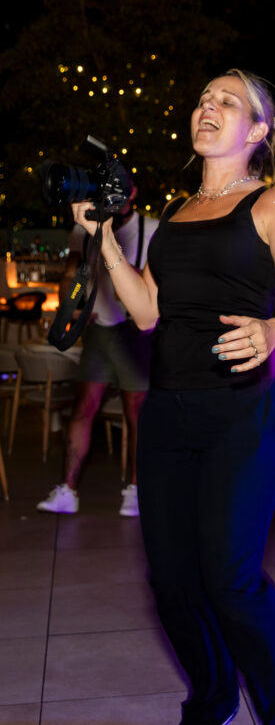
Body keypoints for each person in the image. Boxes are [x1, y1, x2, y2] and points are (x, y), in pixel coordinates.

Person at [70, 68, 275, 725]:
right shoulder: (178, 213)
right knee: (171, 578)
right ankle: (212, 694)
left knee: (232, 577)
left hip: (241, 412)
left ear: (256, 132)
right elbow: (147, 312)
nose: (206, 107)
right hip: (171, 410)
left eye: (227, 101)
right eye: (202, 99)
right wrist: (108, 245)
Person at [37, 191, 156, 517]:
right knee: (83, 408)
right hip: (99, 330)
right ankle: (67, 490)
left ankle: (136, 489)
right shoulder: (85, 227)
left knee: (137, 414)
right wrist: (72, 308)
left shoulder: (153, 228)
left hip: (136, 334)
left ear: (133, 193)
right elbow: (70, 273)